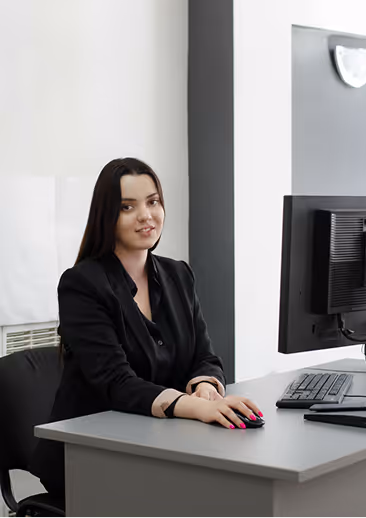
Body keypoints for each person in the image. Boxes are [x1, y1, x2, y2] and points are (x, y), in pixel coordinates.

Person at [30, 158, 262, 497]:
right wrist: (197, 408)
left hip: (161, 442)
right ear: (107, 216)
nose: (146, 215)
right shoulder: (82, 284)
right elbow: (117, 382)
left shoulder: (178, 275)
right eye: (128, 206)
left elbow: (204, 355)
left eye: (153, 202)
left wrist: (205, 389)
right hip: (92, 455)